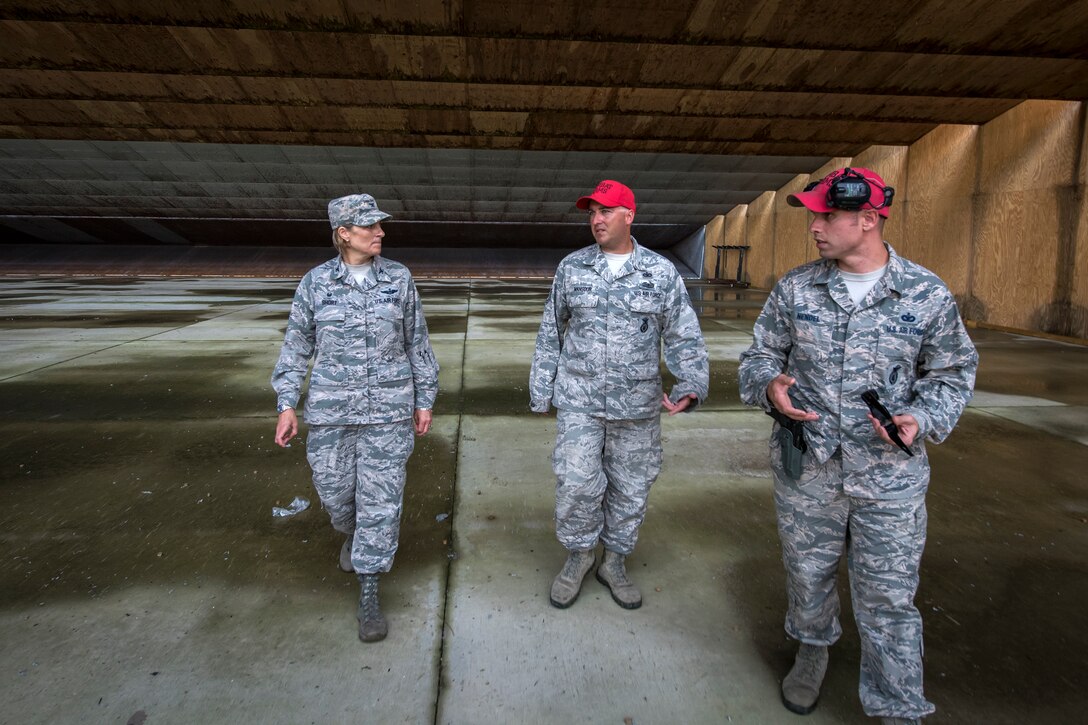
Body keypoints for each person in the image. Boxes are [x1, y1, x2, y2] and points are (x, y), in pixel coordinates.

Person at [737, 168, 978, 724]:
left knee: (889, 596)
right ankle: (812, 648)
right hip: (809, 469)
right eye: (814, 215)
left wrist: (920, 417)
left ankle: (897, 705)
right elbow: (757, 359)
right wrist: (770, 387)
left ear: (868, 220)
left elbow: (952, 372)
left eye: (826, 216)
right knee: (807, 572)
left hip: (888, 478)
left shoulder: (926, 293)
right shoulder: (795, 289)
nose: (815, 227)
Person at [530, 179, 709, 610]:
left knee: (631, 486)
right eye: (592, 212)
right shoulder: (573, 268)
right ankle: (578, 555)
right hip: (579, 400)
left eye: (606, 211)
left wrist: (691, 384)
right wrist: (542, 390)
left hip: (638, 405)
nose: (596, 220)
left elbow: (683, 333)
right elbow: (550, 332)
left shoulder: (660, 272)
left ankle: (614, 561)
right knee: (576, 482)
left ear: (629, 215)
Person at [271, 193, 439, 643]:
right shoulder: (315, 284)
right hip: (331, 414)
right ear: (344, 233)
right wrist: (286, 404)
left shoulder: (399, 280)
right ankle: (351, 532)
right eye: (370, 226)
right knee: (335, 492)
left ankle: (369, 589)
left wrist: (425, 399)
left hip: (388, 413)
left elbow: (417, 342)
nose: (380, 232)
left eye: (380, 225)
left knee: (380, 502)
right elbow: (296, 347)